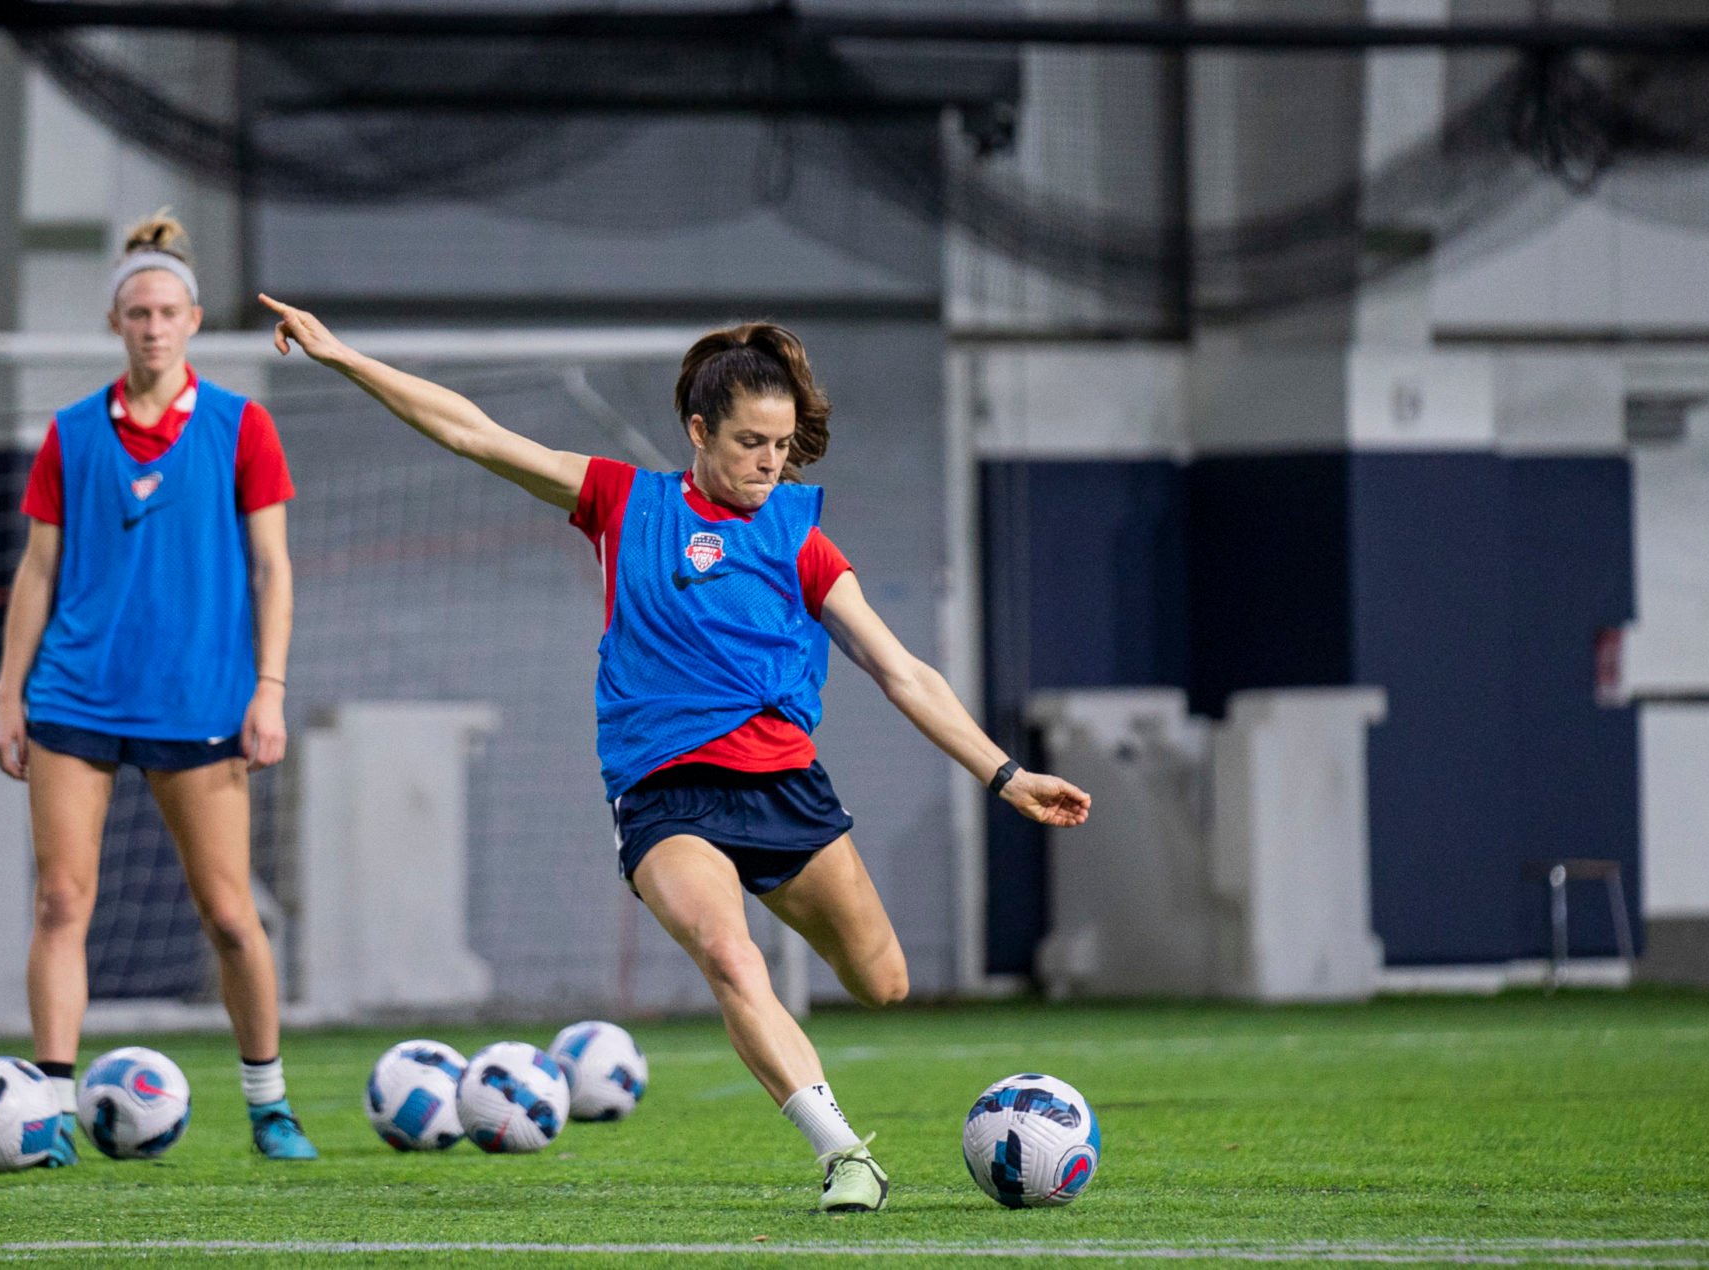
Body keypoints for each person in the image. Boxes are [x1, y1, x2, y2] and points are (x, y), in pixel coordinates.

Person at [259, 295, 1089, 1210]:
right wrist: (343, 357)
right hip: (667, 795)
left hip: (785, 788)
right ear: (698, 430)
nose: (769, 462)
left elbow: (904, 672)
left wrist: (1004, 775)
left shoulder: (802, 540)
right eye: (749, 443)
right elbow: (475, 434)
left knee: (883, 981)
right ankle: (844, 1155)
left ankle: (848, 1092)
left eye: (781, 444)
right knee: (732, 959)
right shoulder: (625, 503)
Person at [0, 214, 316, 1163]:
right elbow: (37, 572)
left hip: (204, 700)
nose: (154, 326)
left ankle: (269, 1104)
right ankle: (49, 1113)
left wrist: (270, 688)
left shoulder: (240, 426)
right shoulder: (70, 435)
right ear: (115, 323)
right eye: (138, 312)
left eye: (169, 311)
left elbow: (272, 570)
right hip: (75, 700)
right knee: (61, 903)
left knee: (228, 914)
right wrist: (9, 692)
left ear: (195, 320)